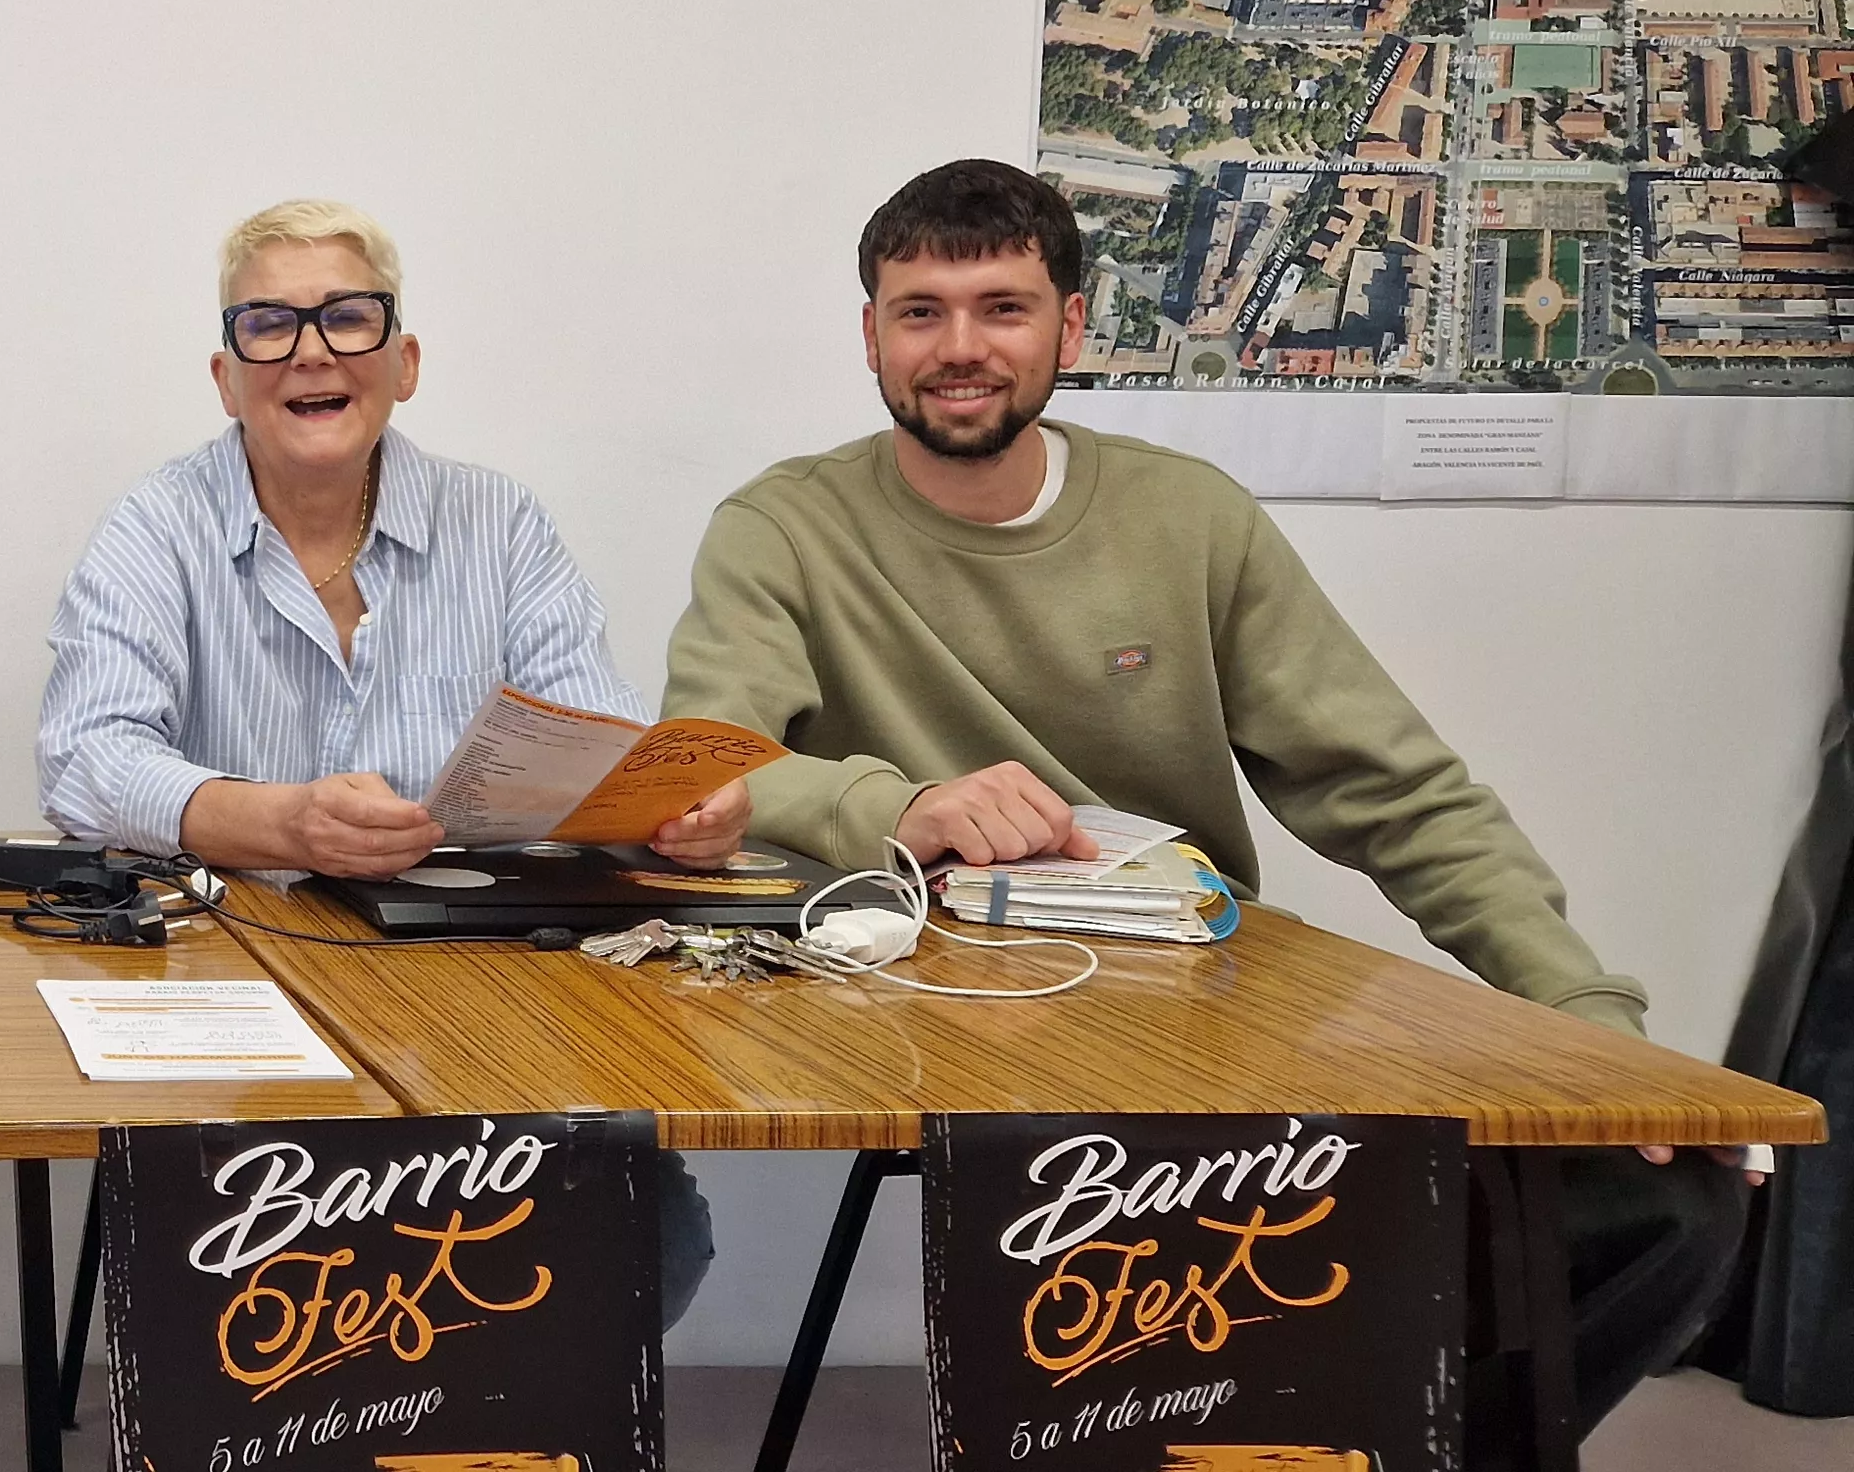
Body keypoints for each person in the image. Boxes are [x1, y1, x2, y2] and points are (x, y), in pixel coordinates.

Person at [663, 157, 1743, 1453]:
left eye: (1002, 309)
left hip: (1197, 1014)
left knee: (1668, 1201)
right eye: (920, 312)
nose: (960, 348)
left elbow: (1397, 791)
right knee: (1162, 1282)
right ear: (871, 336)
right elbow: (706, 763)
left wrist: (1583, 1019)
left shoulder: (1190, 520)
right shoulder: (781, 526)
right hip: (930, 1024)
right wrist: (902, 806)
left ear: (1071, 325)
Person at [34, 197, 716, 1317]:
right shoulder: (154, 527)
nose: (309, 349)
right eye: (268, 325)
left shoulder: (499, 523)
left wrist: (672, 807)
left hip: (486, 995)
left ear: (402, 363)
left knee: (643, 1242)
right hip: (236, 991)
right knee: (276, 1276)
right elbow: (85, 763)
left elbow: (600, 742)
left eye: (346, 318)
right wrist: (281, 822)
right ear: (224, 375)